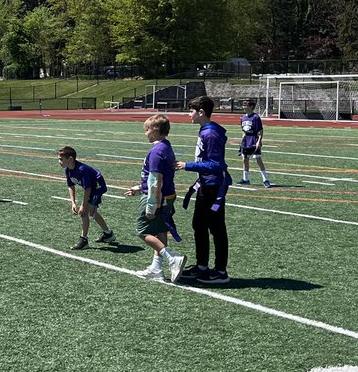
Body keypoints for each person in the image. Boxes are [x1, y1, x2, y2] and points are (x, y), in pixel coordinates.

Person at [124, 114, 185, 282]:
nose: (145, 133)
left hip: (157, 197)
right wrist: (139, 188)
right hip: (167, 194)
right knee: (160, 230)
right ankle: (156, 268)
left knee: (143, 231)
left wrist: (152, 205)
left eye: (147, 130)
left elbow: (155, 181)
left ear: (156, 130)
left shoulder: (156, 151)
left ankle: (172, 257)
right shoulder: (166, 146)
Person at [178, 96, 232, 284]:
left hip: (214, 188)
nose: (188, 114)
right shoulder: (206, 130)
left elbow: (217, 164)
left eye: (191, 111)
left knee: (217, 228)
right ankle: (202, 265)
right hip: (205, 184)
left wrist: (188, 165)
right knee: (199, 224)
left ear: (201, 112)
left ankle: (220, 271)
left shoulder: (210, 133)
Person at [58, 146, 114, 250]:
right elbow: (71, 186)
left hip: (97, 188)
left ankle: (84, 240)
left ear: (70, 159)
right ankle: (108, 234)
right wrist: (73, 203)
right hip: (91, 188)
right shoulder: (68, 170)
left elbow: (88, 189)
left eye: (61, 159)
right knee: (92, 213)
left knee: (85, 212)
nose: (59, 162)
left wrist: (83, 205)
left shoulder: (82, 170)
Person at [239, 99, 272, 187]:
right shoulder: (242, 117)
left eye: (246, 105)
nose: (244, 107)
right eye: (243, 105)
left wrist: (259, 141)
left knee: (258, 159)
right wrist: (242, 139)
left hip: (254, 139)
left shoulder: (256, 117)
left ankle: (265, 179)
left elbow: (260, 130)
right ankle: (245, 179)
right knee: (245, 159)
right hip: (246, 140)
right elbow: (243, 130)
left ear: (251, 107)